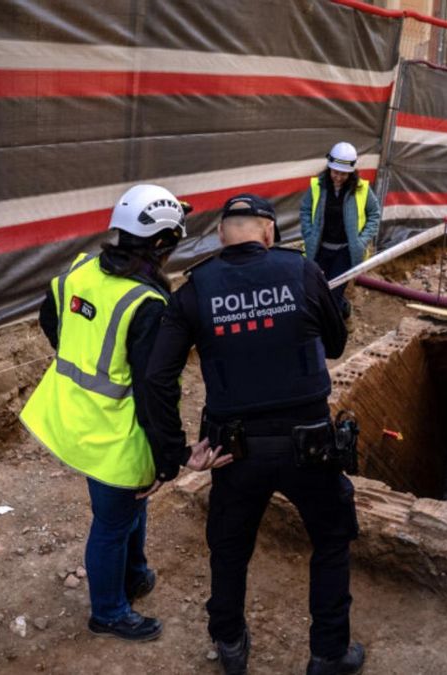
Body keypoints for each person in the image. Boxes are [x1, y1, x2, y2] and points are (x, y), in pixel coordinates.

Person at [143, 195, 361, 675]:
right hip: (311, 447)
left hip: (233, 451)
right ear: (268, 231)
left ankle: (230, 643)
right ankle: (328, 653)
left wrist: (176, 452)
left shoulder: (196, 289)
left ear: (222, 235)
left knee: (229, 547)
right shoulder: (303, 273)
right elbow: (337, 344)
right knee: (329, 541)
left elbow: (158, 378)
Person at [19, 184, 231, 642]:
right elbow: (157, 391)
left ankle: (134, 574)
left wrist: (76, 349)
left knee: (132, 502)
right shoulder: (148, 305)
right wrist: (169, 456)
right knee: (112, 522)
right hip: (112, 433)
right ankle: (109, 611)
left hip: (70, 415)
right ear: (158, 244)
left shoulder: (82, 268)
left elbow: (49, 318)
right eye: (172, 239)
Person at [299, 142, 381, 319]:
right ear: (329, 168)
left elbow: (375, 215)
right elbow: (305, 209)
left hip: (345, 251)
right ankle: (342, 308)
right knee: (317, 289)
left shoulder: (361, 189)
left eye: (343, 174)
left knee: (333, 294)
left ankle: (332, 329)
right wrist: (308, 234)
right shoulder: (318, 186)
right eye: (335, 172)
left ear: (351, 172)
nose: (338, 177)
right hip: (320, 249)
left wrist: (361, 240)